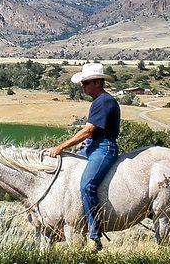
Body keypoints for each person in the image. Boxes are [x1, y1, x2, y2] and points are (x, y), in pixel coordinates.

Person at [46, 62, 120, 250]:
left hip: (104, 149)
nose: (82, 86)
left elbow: (88, 131)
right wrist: (84, 143)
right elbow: (93, 133)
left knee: (87, 186)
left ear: (97, 82)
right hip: (95, 145)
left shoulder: (104, 101)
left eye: (86, 83)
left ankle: (94, 235)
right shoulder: (99, 101)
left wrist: (61, 146)